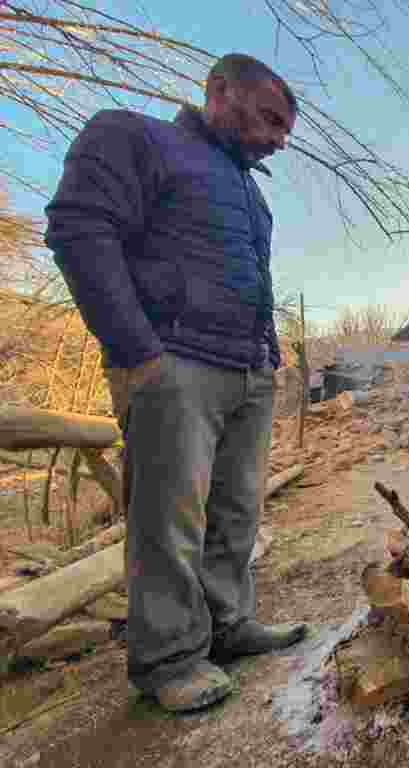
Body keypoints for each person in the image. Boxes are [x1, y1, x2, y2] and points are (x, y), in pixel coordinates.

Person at [44, 53, 308, 713]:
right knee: (170, 521)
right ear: (220, 90)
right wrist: (136, 351)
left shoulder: (250, 191)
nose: (279, 138)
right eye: (271, 119)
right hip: (174, 363)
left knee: (237, 512)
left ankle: (227, 624)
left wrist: (267, 358)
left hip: (247, 369)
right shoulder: (134, 136)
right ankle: (168, 658)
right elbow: (78, 228)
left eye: (285, 130)